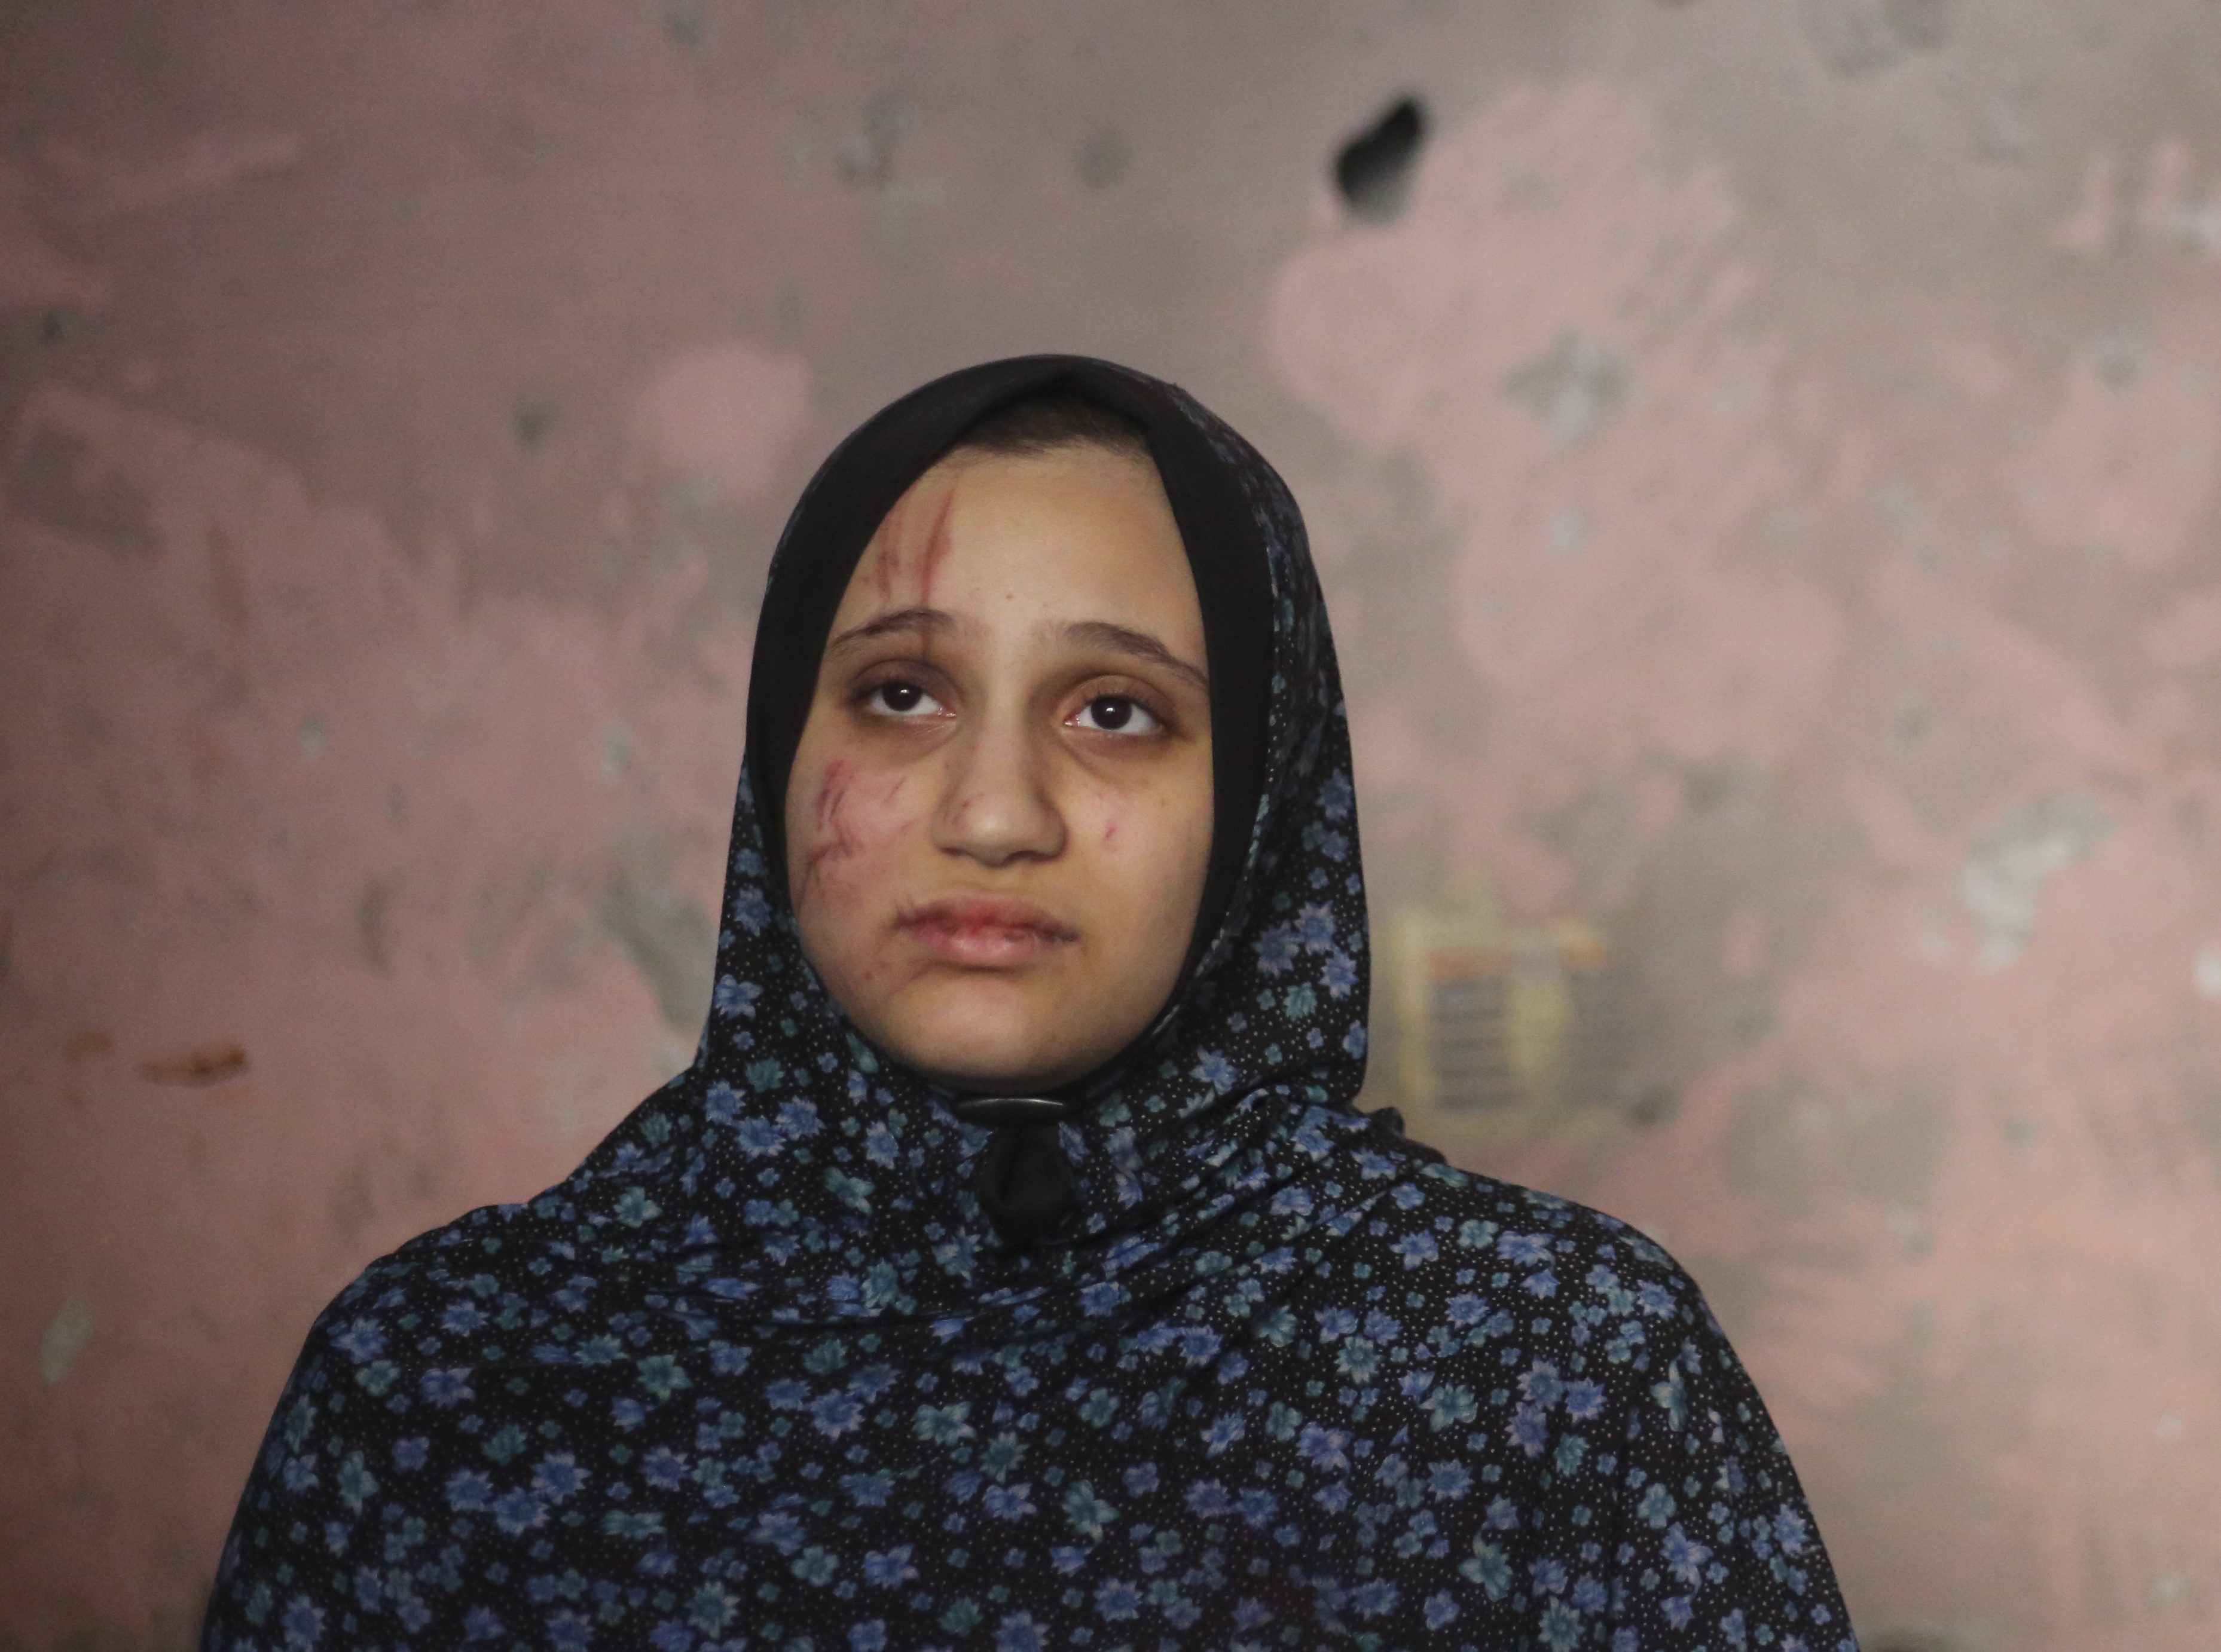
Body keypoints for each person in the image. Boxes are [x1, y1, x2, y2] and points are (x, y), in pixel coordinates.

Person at [201, 357, 1856, 1651]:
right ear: (783, 752)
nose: (994, 811)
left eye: (1117, 711)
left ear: (1264, 802)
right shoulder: (452, 1383)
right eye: (901, 693)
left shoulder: (1546, 1371)